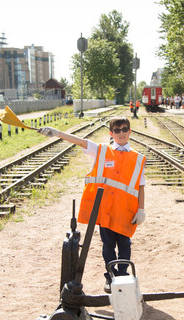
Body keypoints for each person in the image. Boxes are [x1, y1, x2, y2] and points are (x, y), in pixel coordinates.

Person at [37, 117, 146, 293]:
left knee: (125, 245)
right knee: (108, 246)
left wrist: (141, 210)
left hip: (125, 212)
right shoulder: (101, 151)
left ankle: (123, 275)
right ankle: (111, 277)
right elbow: (81, 142)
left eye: (124, 129)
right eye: (117, 130)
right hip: (104, 211)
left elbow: (141, 186)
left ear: (130, 131)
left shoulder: (138, 159)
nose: (121, 133)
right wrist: (57, 133)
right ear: (111, 134)